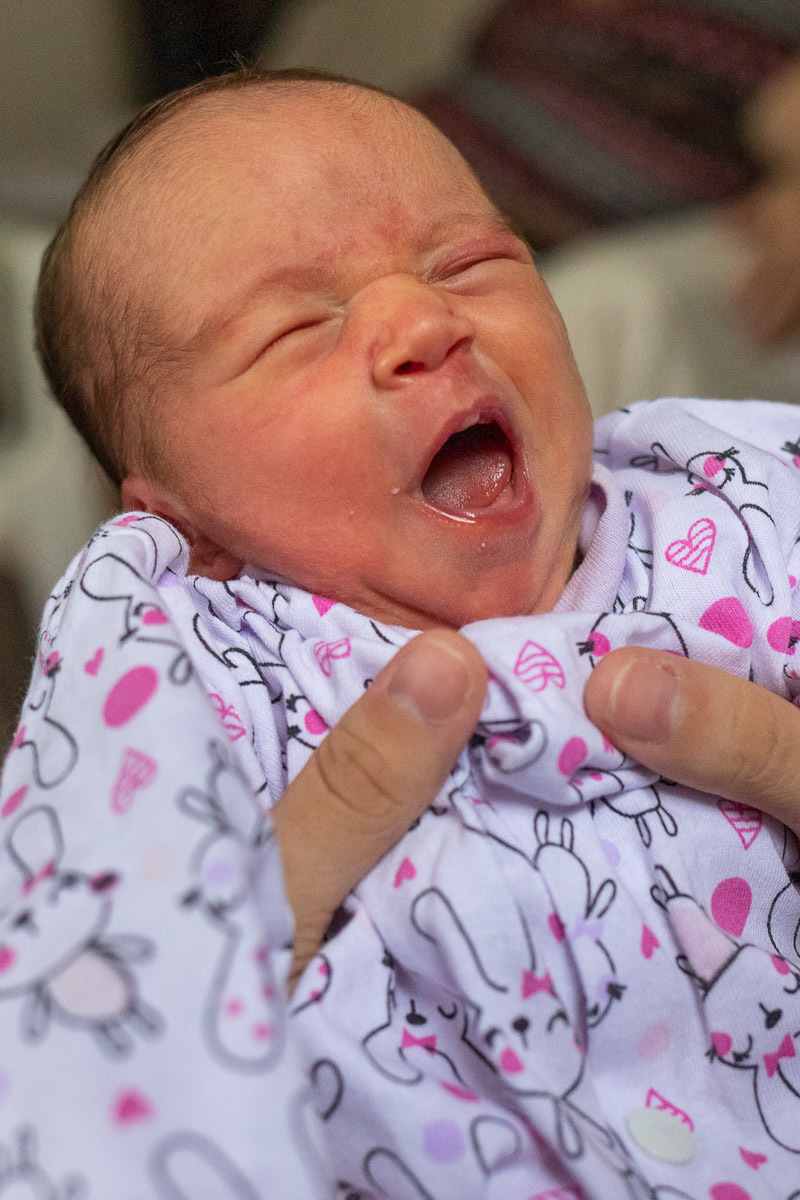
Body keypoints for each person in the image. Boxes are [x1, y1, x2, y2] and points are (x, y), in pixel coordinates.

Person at [2, 67, 800, 1197]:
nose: (425, 321)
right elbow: (88, 977)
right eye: (297, 326)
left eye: (472, 263)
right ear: (179, 516)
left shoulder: (713, 500)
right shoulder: (180, 655)